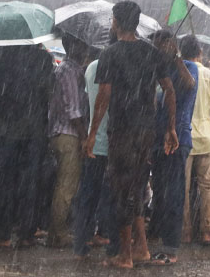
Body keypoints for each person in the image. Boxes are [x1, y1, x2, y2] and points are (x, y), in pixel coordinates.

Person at [85, 1, 177, 269]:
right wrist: (170, 127)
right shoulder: (152, 52)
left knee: (121, 188)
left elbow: (104, 96)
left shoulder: (110, 54)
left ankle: (125, 255)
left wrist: (92, 133)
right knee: (135, 186)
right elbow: (169, 90)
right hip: (146, 131)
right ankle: (143, 249)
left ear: (115, 21)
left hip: (123, 131)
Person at [0, 45, 54, 248]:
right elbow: (49, 93)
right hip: (34, 130)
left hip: (5, 130)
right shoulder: (43, 59)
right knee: (30, 182)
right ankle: (26, 234)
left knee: (4, 181)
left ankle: (3, 233)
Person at [148, 30, 198, 265]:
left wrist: (176, 57)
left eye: (162, 46)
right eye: (155, 46)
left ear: (172, 45)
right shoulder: (156, 69)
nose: (158, 50)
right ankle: (155, 236)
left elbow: (190, 84)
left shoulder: (187, 67)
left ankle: (170, 249)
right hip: (156, 140)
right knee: (159, 191)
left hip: (178, 138)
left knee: (174, 194)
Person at [181, 35, 210, 246]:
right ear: (200, 53)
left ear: (182, 53)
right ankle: (206, 231)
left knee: (183, 186)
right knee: (207, 187)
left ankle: (185, 231)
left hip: (184, 137)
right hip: (207, 138)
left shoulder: (180, 73)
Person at [73, 46, 117, 259]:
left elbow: (86, 101)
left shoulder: (91, 68)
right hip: (112, 142)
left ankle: (81, 241)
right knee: (110, 195)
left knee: (88, 194)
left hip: (93, 141)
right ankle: (107, 238)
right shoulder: (117, 68)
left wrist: (88, 134)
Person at [47, 34, 89, 248]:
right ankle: (58, 234)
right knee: (66, 187)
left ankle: (55, 232)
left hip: (59, 132)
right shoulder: (70, 70)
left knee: (62, 186)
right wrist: (84, 137)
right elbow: (74, 110)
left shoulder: (65, 69)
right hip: (68, 134)